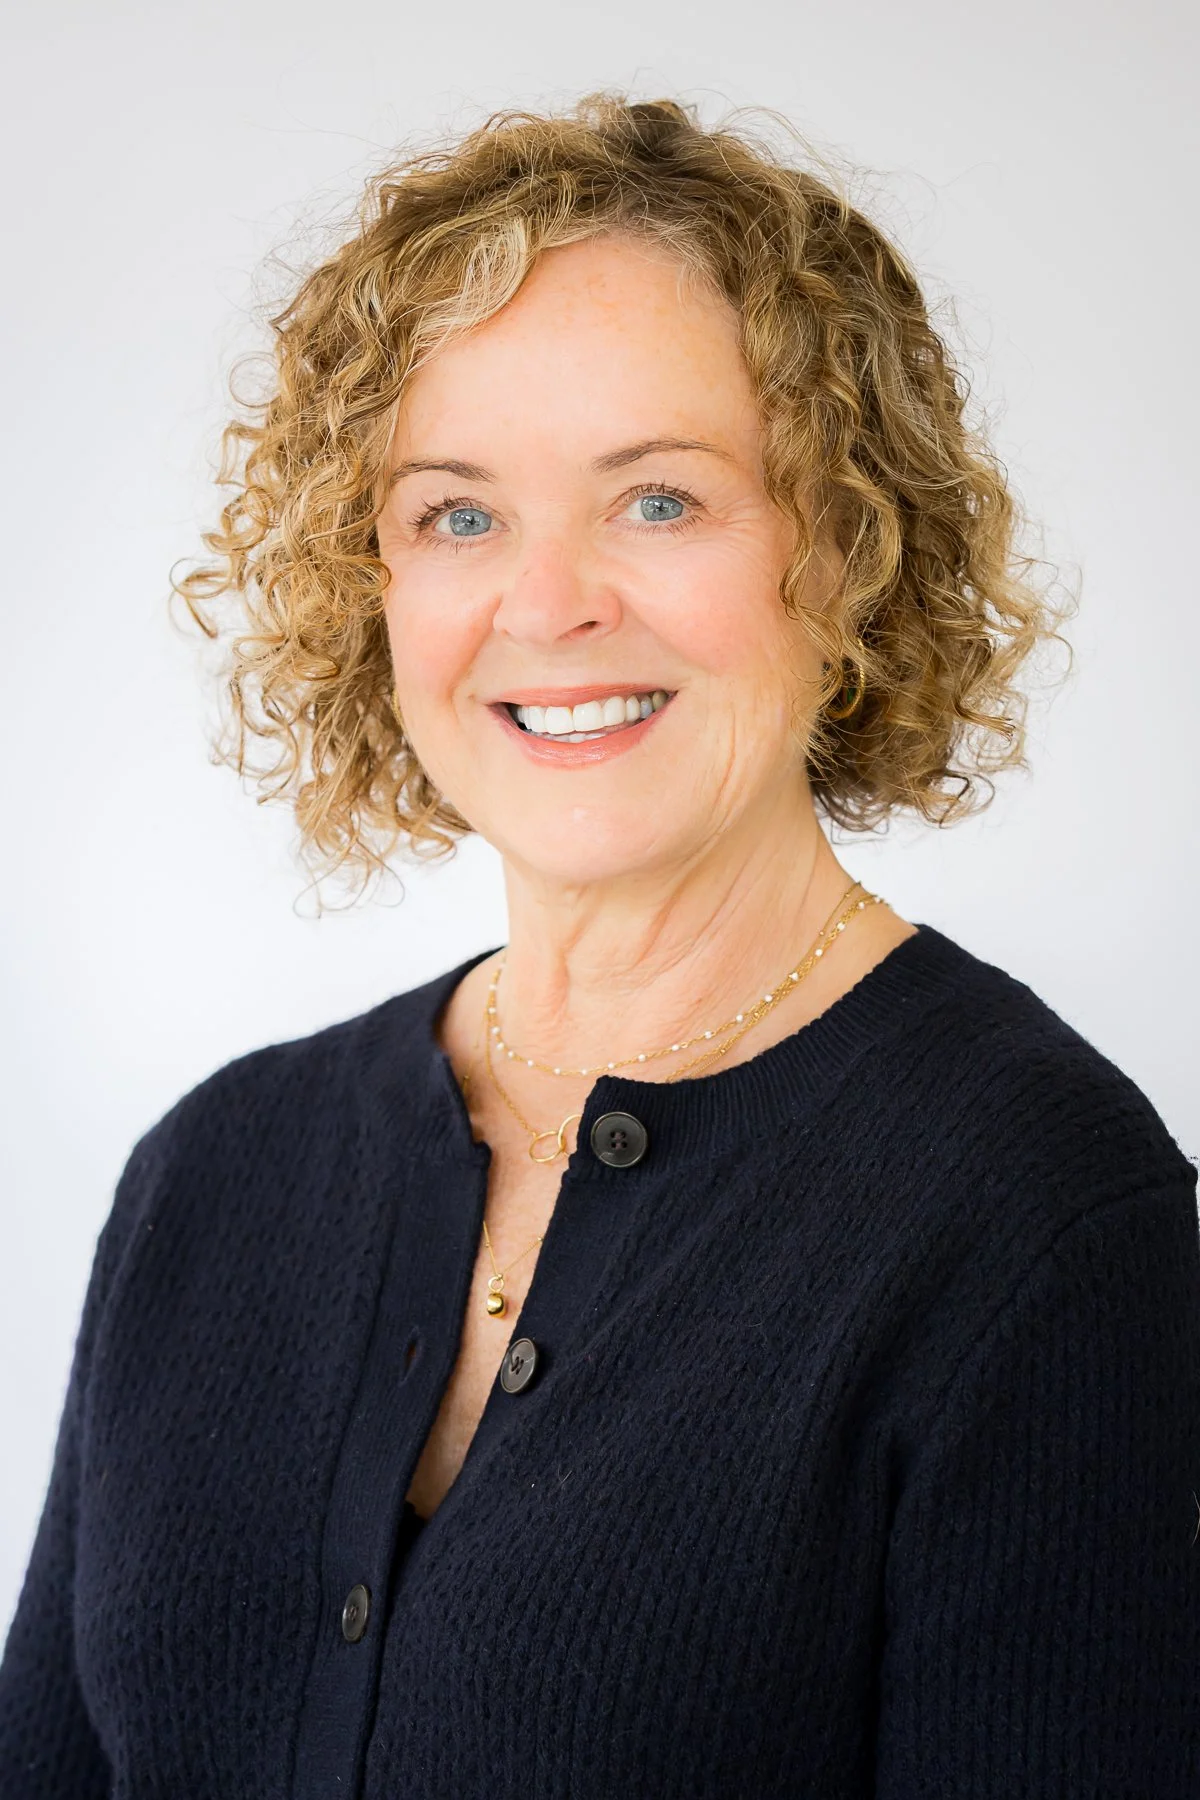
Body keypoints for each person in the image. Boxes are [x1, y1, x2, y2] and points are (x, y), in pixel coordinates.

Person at [2, 93, 1196, 1800]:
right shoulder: (215, 1170)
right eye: (457, 515)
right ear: (377, 585)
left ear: (845, 549)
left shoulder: (1035, 1209)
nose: (549, 602)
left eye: (658, 500)